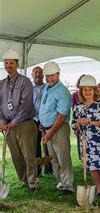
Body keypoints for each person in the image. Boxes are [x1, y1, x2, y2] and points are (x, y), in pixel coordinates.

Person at [0, 49, 38, 191]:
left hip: (24, 124)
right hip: (8, 126)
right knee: (16, 155)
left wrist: (13, 122)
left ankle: (33, 182)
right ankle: (24, 180)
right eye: (6, 63)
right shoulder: (1, 83)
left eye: (11, 63)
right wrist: (2, 123)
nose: (8, 65)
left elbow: (26, 105)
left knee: (28, 154)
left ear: (17, 64)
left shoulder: (25, 81)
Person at [72, 75, 100, 198]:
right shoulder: (78, 106)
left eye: (90, 89)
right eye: (85, 89)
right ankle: (99, 191)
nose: (87, 92)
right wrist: (78, 123)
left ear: (95, 90)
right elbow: (73, 125)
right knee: (92, 168)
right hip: (86, 142)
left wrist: (90, 122)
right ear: (81, 91)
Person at [39, 61, 74, 194]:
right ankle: (61, 182)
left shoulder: (62, 91)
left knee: (63, 157)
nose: (49, 78)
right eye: (47, 76)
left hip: (59, 129)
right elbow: (45, 108)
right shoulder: (46, 88)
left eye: (52, 75)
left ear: (58, 74)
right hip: (48, 128)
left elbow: (61, 116)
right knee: (54, 159)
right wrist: (43, 125)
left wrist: (50, 133)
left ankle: (68, 186)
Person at [31, 66, 52, 177]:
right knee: (36, 147)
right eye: (36, 73)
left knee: (48, 145)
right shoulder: (29, 87)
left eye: (40, 73)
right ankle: (37, 171)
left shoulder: (47, 87)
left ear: (43, 75)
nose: (38, 75)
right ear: (32, 75)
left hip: (46, 120)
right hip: (33, 120)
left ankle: (49, 168)